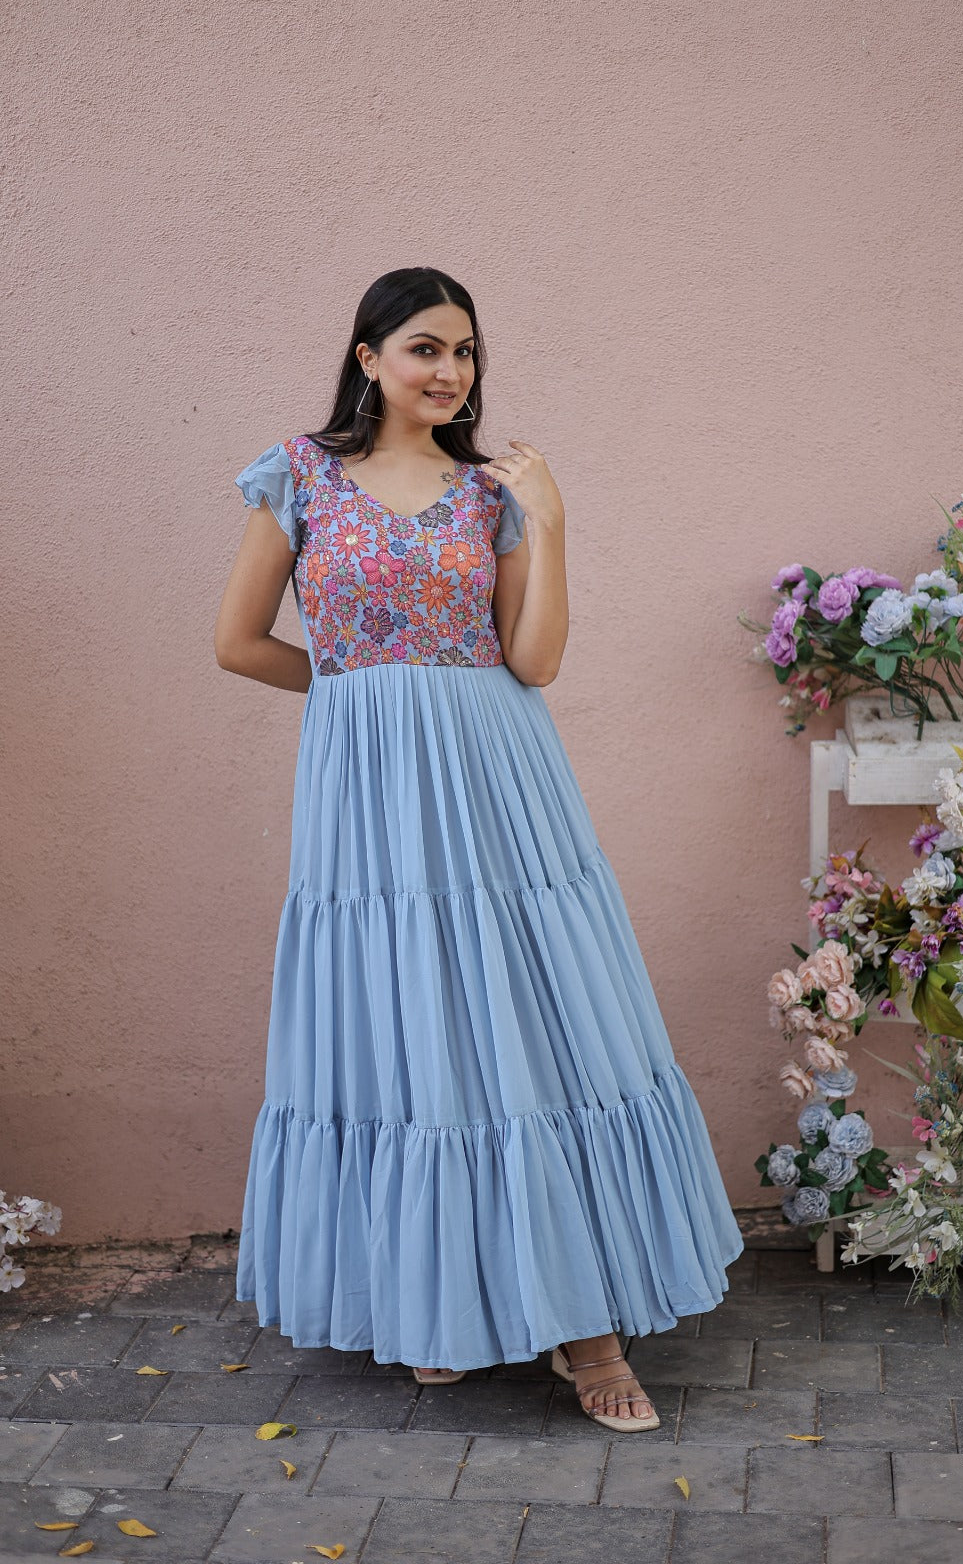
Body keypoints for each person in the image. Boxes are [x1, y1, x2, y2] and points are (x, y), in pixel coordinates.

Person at [215, 266, 744, 1432]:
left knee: (530, 1014)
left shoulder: (492, 490)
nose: (448, 370)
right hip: (368, 790)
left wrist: (549, 520)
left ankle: (587, 1327)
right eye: (422, 347)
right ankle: (435, 1304)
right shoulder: (299, 476)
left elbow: (536, 658)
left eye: (464, 351)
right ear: (367, 357)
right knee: (403, 1024)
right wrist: (359, 694)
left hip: (498, 771)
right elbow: (238, 640)